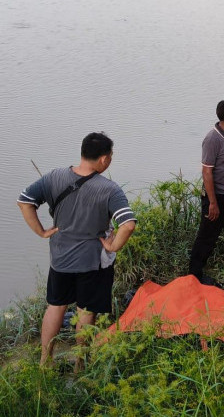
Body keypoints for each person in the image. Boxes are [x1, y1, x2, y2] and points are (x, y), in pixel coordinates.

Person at [17, 132, 137, 367]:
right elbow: (128, 224)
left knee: (55, 306)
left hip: (60, 259)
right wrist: (113, 245)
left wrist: (42, 232)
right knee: (86, 311)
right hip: (92, 262)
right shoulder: (110, 189)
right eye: (110, 156)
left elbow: (24, 201)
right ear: (103, 159)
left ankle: (45, 362)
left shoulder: (54, 177)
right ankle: (80, 364)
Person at [189, 100, 224, 283]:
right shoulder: (212, 139)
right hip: (217, 197)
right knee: (207, 236)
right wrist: (212, 203)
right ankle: (194, 274)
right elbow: (207, 172)